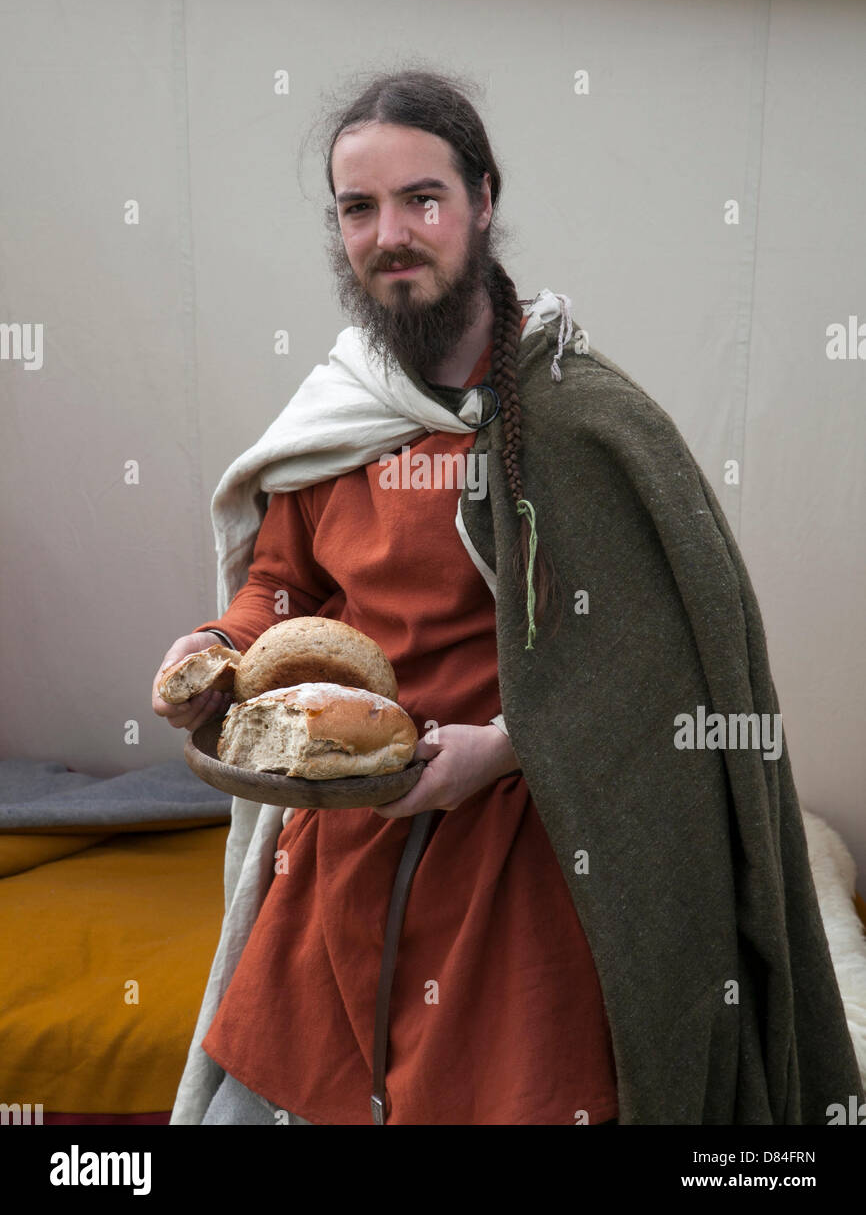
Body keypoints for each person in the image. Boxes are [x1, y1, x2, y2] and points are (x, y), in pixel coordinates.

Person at [154, 68, 862, 1126]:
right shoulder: (343, 408)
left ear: (482, 200)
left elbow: (668, 655)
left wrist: (505, 740)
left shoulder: (582, 419)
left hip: (527, 839)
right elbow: (283, 585)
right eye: (359, 207)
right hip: (348, 829)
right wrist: (217, 644)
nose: (390, 233)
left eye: (420, 199)